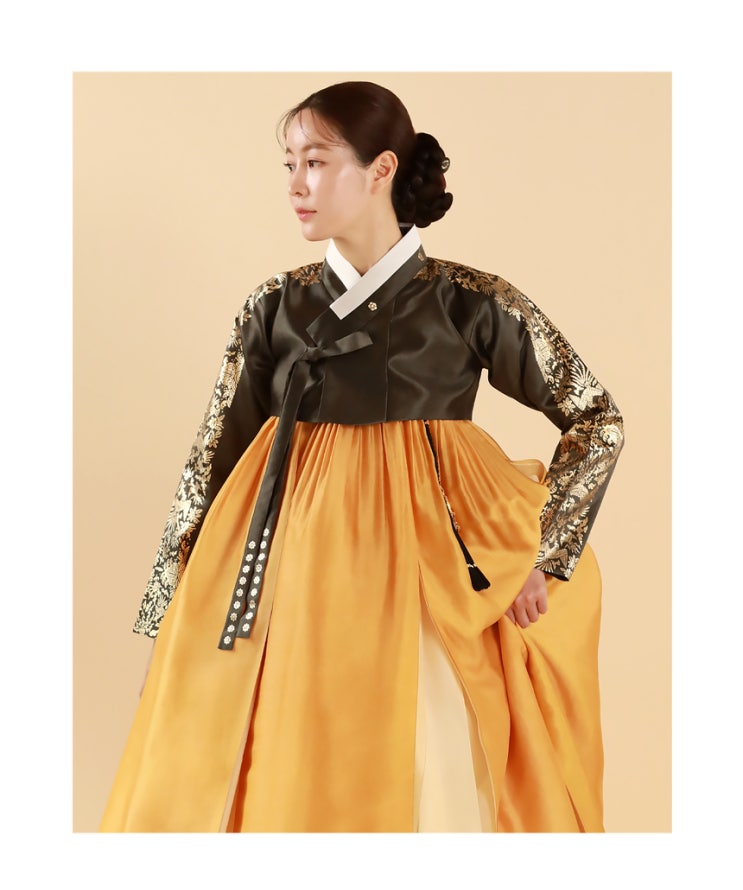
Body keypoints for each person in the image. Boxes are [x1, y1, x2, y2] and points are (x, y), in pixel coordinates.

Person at [100, 80, 624, 833]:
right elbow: (212, 460)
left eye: (315, 162)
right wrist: (173, 608)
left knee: (430, 764)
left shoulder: (468, 301)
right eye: (288, 165)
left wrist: (546, 554)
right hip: (293, 573)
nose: (295, 185)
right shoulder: (273, 307)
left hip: (430, 575)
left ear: (381, 169)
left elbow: (596, 418)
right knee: (287, 759)